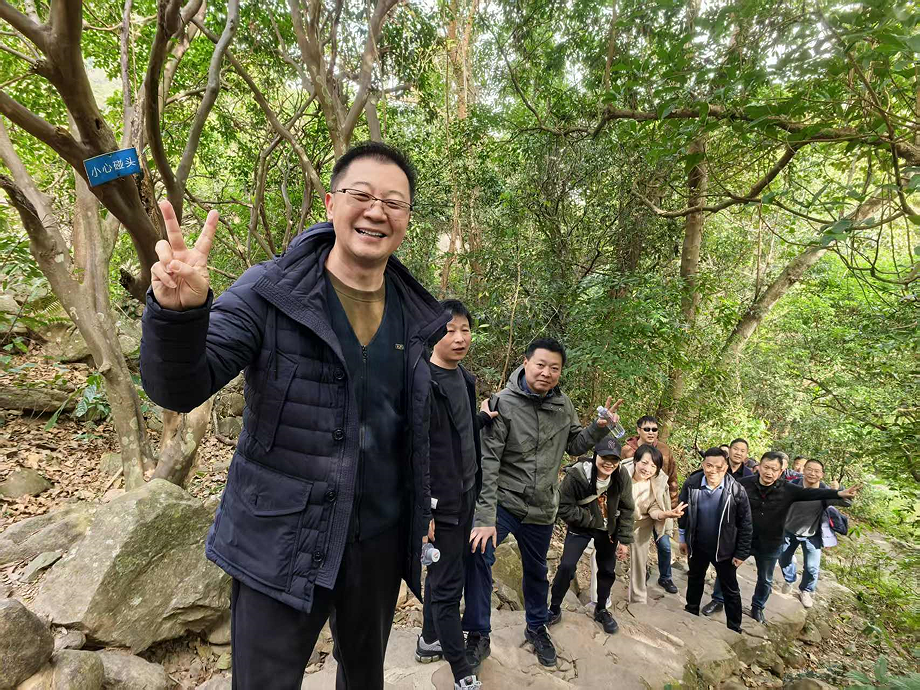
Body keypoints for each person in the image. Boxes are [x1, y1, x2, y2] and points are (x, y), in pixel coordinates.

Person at [141, 142, 448, 689]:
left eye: (393, 202)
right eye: (361, 195)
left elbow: (414, 430)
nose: (376, 211)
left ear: (406, 219)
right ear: (331, 203)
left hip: (376, 541)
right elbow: (180, 388)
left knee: (365, 678)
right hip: (279, 538)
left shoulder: (415, 314)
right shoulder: (271, 289)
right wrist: (178, 315)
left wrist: (422, 507)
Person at [462, 338, 620, 669]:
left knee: (536, 570)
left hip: (543, 506)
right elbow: (488, 462)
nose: (547, 373)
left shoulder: (563, 406)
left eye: (555, 368)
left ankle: (537, 627)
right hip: (504, 502)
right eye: (541, 365)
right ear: (526, 363)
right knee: (478, 555)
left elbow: (574, 444)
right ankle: (477, 634)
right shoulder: (503, 403)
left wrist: (597, 428)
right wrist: (484, 517)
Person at [415, 300, 496, 690]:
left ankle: (429, 638)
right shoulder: (421, 383)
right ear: (434, 333)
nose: (460, 338)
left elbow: (456, 428)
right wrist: (424, 509)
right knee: (449, 585)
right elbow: (416, 450)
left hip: (466, 493)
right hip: (440, 503)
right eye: (450, 330)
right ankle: (462, 671)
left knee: (446, 572)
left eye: (465, 329)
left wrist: (482, 418)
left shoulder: (464, 378)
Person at [702, 452, 859, 623]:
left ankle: (757, 608)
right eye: (766, 467)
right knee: (727, 570)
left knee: (765, 579)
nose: (769, 472)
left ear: (780, 471)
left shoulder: (788, 489)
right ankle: (718, 600)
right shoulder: (744, 484)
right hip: (743, 539)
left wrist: (839, 494)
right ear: (759, 467)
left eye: (774, 469)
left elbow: (813, 494)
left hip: (771, 542)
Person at [548, 437, 634, 634]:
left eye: (614, 459)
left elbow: (628, 508)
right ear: (596, 456)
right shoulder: (578, 475)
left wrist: (624, 540)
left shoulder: (621, 476)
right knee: (567, 565)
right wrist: (588, 518)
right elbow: (562, 505)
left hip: (608, 528)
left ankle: (601, 609)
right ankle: (554, 607)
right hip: (582, 526)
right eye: (605, 457)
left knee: (607, 569)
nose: (609, 463)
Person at [678, 447, 752, 634]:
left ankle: (734, 627)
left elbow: (746, 524)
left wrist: (741, 553)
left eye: (718, 467)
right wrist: (683, 538)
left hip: (725, 548)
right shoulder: (693, 483)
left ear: (725, 467)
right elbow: (683, 512)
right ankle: (691, 612)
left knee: (730, 588)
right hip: (697, 544)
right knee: (695, 579)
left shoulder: (736, 490)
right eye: (709, 466)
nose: (713, 471)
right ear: (703, 465)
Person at [779, 459, 851, 608]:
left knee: (812, 567)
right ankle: (790, 579)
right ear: (803, 470)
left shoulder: (825, 491)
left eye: (817, 471)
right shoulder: (793, 486)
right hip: (789, 530)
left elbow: (846, 503)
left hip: (813, 534)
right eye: (809, 469)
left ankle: (806, 590)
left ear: (822, 474)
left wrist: (840, 489)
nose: (812, 473)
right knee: (784, 559)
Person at [622, 416, 680, 594]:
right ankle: (643, 571)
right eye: (647, 429)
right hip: (636, 508)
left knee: (664, 543)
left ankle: (666, 577)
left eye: (654, 429)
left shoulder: (664, 449)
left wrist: (672, 504)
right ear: (638, 430)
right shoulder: (627, 450)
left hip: (658, 503)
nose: (651, 433)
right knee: (640, 544)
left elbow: (672, 476)